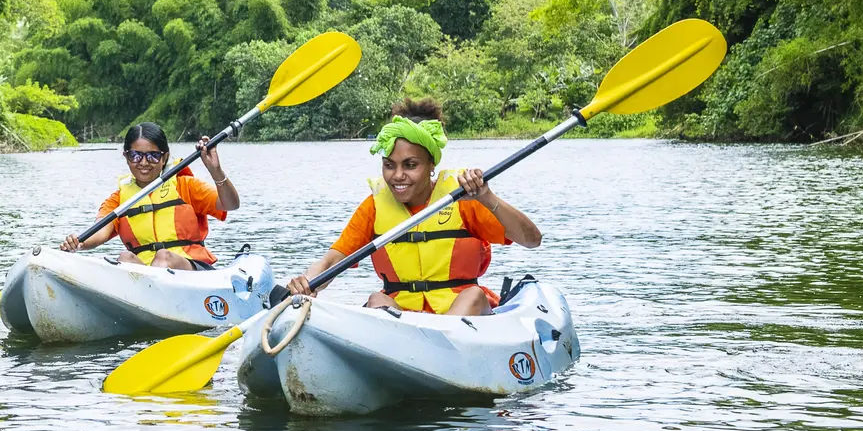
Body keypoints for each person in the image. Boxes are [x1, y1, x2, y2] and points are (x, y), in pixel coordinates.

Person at [284, 98, 541, 316]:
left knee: (473, 295)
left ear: (431, 165)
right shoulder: (374, 207)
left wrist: (486, 196)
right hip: (403, 319)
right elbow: (333, 260)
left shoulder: (464, 199)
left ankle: (439, 350)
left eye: (410, 165)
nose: (397, 175)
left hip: (462, 316)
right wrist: (307, 283)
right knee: (376, 300)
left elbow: (531, 240)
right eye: (389, 165)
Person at [61, 121, 240, 270]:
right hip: (146, 276)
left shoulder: (186, 186)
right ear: (126, 156)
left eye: (153, 156)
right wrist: (80, 242)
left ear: (165, 157)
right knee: (125, 258)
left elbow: (231, 204)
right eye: (135, 156)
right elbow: (100, 231)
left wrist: (215, 170)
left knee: (164, 257)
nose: (144, 163)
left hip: (192, 270)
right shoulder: (119, 200)